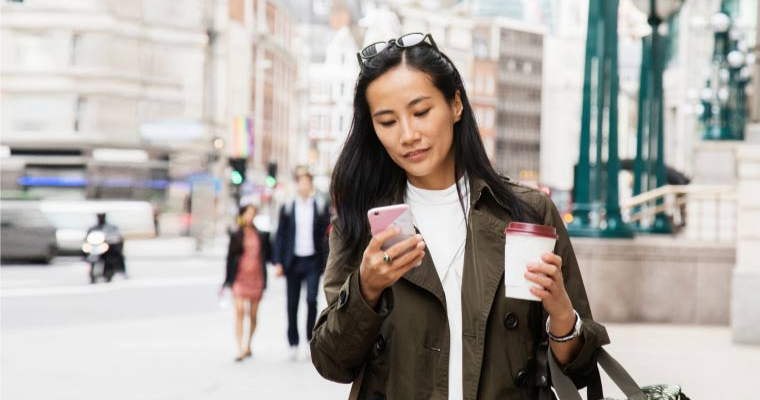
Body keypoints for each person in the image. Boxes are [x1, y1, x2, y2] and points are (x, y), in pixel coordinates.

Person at [310, 33, 610, 399]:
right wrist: (366, 288)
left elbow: (579, 370)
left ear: (455, 105)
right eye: (387, 121)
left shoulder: (527, 212)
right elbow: (331, 362)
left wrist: (563, 316)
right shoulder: (361, 226)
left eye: (421, 112)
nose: (408, 134)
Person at [272, 166, 331, 360]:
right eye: (300, 182)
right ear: (297, 184)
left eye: (307, 182)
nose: (304, 185)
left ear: (311, 184)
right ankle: (293, 342)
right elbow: (280, 236)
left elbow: (326, 236)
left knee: (312, 300)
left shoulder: (320, 206)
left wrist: (326, 261)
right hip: (293, 262)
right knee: (292, 304)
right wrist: (278, 262)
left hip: (313, 261)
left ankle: (308, 339)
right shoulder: (288, 208)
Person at [222, 204, 271, 362]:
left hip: (256, 277)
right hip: (240, 277)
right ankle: (239, 348)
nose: (250, 216)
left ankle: (249, 343)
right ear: (242, 214)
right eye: (248, 213)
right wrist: (227, 280)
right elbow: (230, 258)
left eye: (253, 213)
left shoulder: (261, 235)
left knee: (253, 315)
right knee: (240, 310)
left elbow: (268, 255)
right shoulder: (236, 234)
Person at [86, 212, 126, 280]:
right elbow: (88, 237)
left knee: (116, 255)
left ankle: (120, 270)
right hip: (96, 247)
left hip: (108, 247)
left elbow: (117, 237)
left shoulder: (111, 227)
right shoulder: (93, 228)